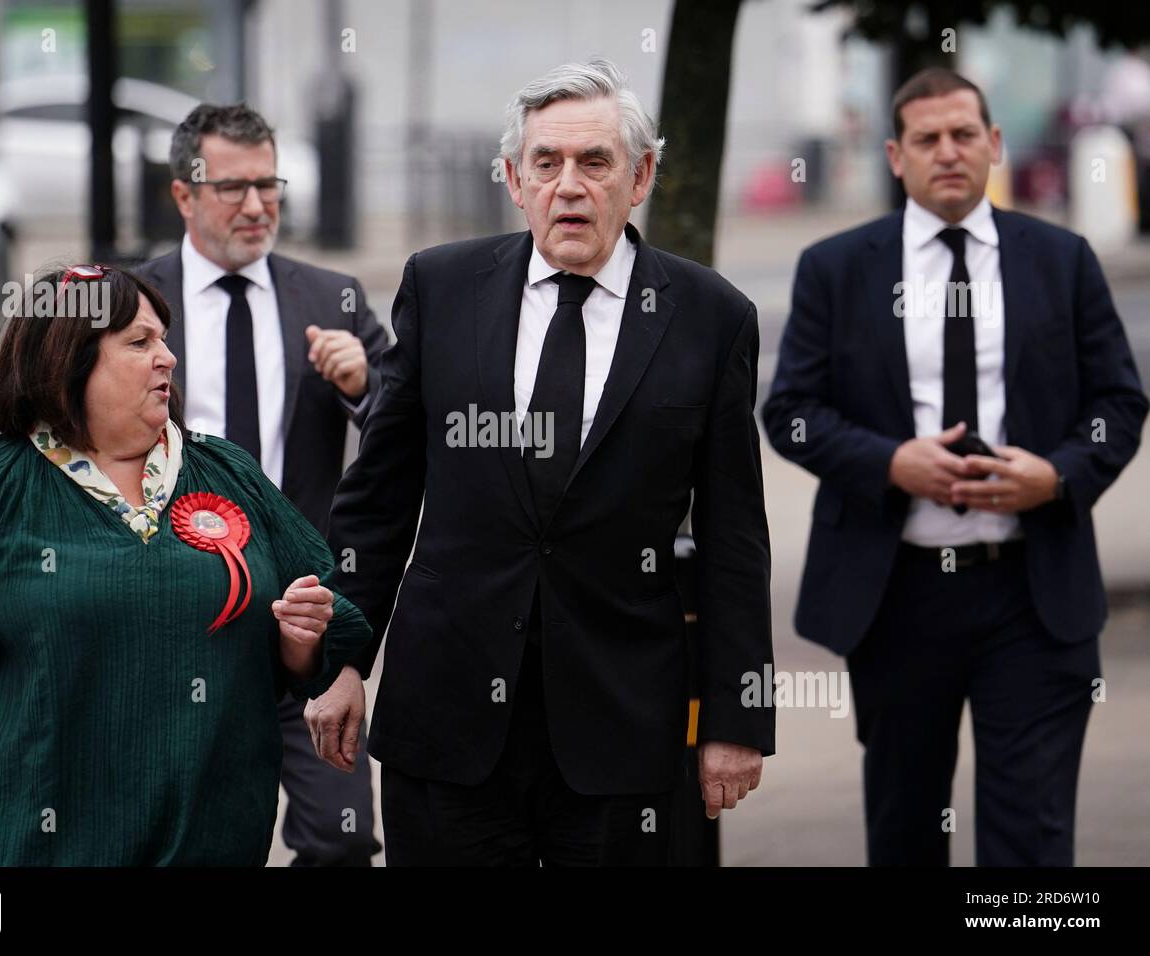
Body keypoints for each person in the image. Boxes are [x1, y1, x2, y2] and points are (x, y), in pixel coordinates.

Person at [310, 58, 774, 866]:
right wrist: (344, 659)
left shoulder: (712, 318)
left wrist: (736, 719)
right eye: (545, 164)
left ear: (642, 176)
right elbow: (379, 498)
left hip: (621, 730)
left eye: (595, 163)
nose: (569, 186)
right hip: (448, 723)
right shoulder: (441, 287)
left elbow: (736, 540)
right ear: (513, 180)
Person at [0, 265, 370, 866]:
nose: (168, 358)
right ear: (69, 360)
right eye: (140, 342)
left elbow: (324, 622)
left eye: (165, 339)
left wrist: (307, 643)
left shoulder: (228, 472)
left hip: (213, 845)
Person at [762, 68, 1149, 866]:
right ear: (896, 157)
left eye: (965, 135)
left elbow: (1120, 399)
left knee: (1032, 841)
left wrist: (1060, 475)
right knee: (906, 832)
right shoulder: (836, 268)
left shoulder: (1061, 260)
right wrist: (889, 462)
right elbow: (790, 412)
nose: (949, 152)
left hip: (1033, 595)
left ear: (994, 145)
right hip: (897, 598)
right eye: (928, 139)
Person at [135, 104, 388, 866]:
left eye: (268, 185)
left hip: (300, 617)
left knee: (340, 841)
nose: (256, 206)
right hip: (176, 616)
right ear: (184, 195)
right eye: (232, 188)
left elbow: (407, 436)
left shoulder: (331, 296)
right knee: (176, 842)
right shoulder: (132, 303)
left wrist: (364, 383)